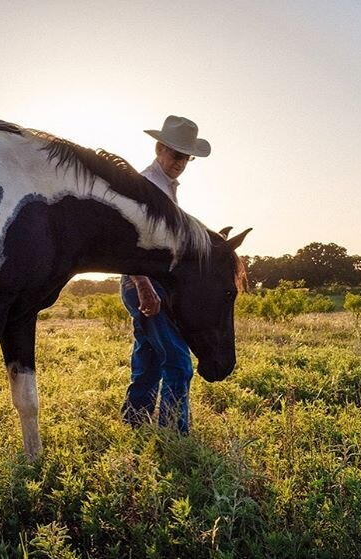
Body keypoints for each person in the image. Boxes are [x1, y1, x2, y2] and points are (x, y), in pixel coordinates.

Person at [120, 115, 211, 435]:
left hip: (154, 283)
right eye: (176, 155)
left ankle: (135, 424)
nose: (181, 162)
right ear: (159, 148)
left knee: (148, 358)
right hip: (143, 282)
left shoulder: (167, 187)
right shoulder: (147, 185)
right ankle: (174, 436)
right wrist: (144, 286)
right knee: (178, 362)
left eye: (187, 157)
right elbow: (127, 241)